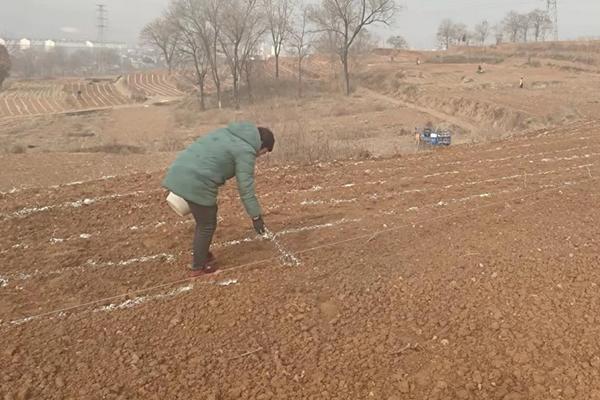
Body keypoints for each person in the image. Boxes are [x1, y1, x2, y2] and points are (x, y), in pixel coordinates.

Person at [162, 122, 275, 277]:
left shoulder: (230, 133)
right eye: (263, 153)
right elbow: (245, 188)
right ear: (261, 145)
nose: (259, 156)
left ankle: (202, 253)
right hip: (197, 181)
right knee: (206, 224)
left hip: (180, 171)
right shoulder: (246, 150)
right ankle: (198, 268)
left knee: (203, 218)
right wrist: (256, 216)